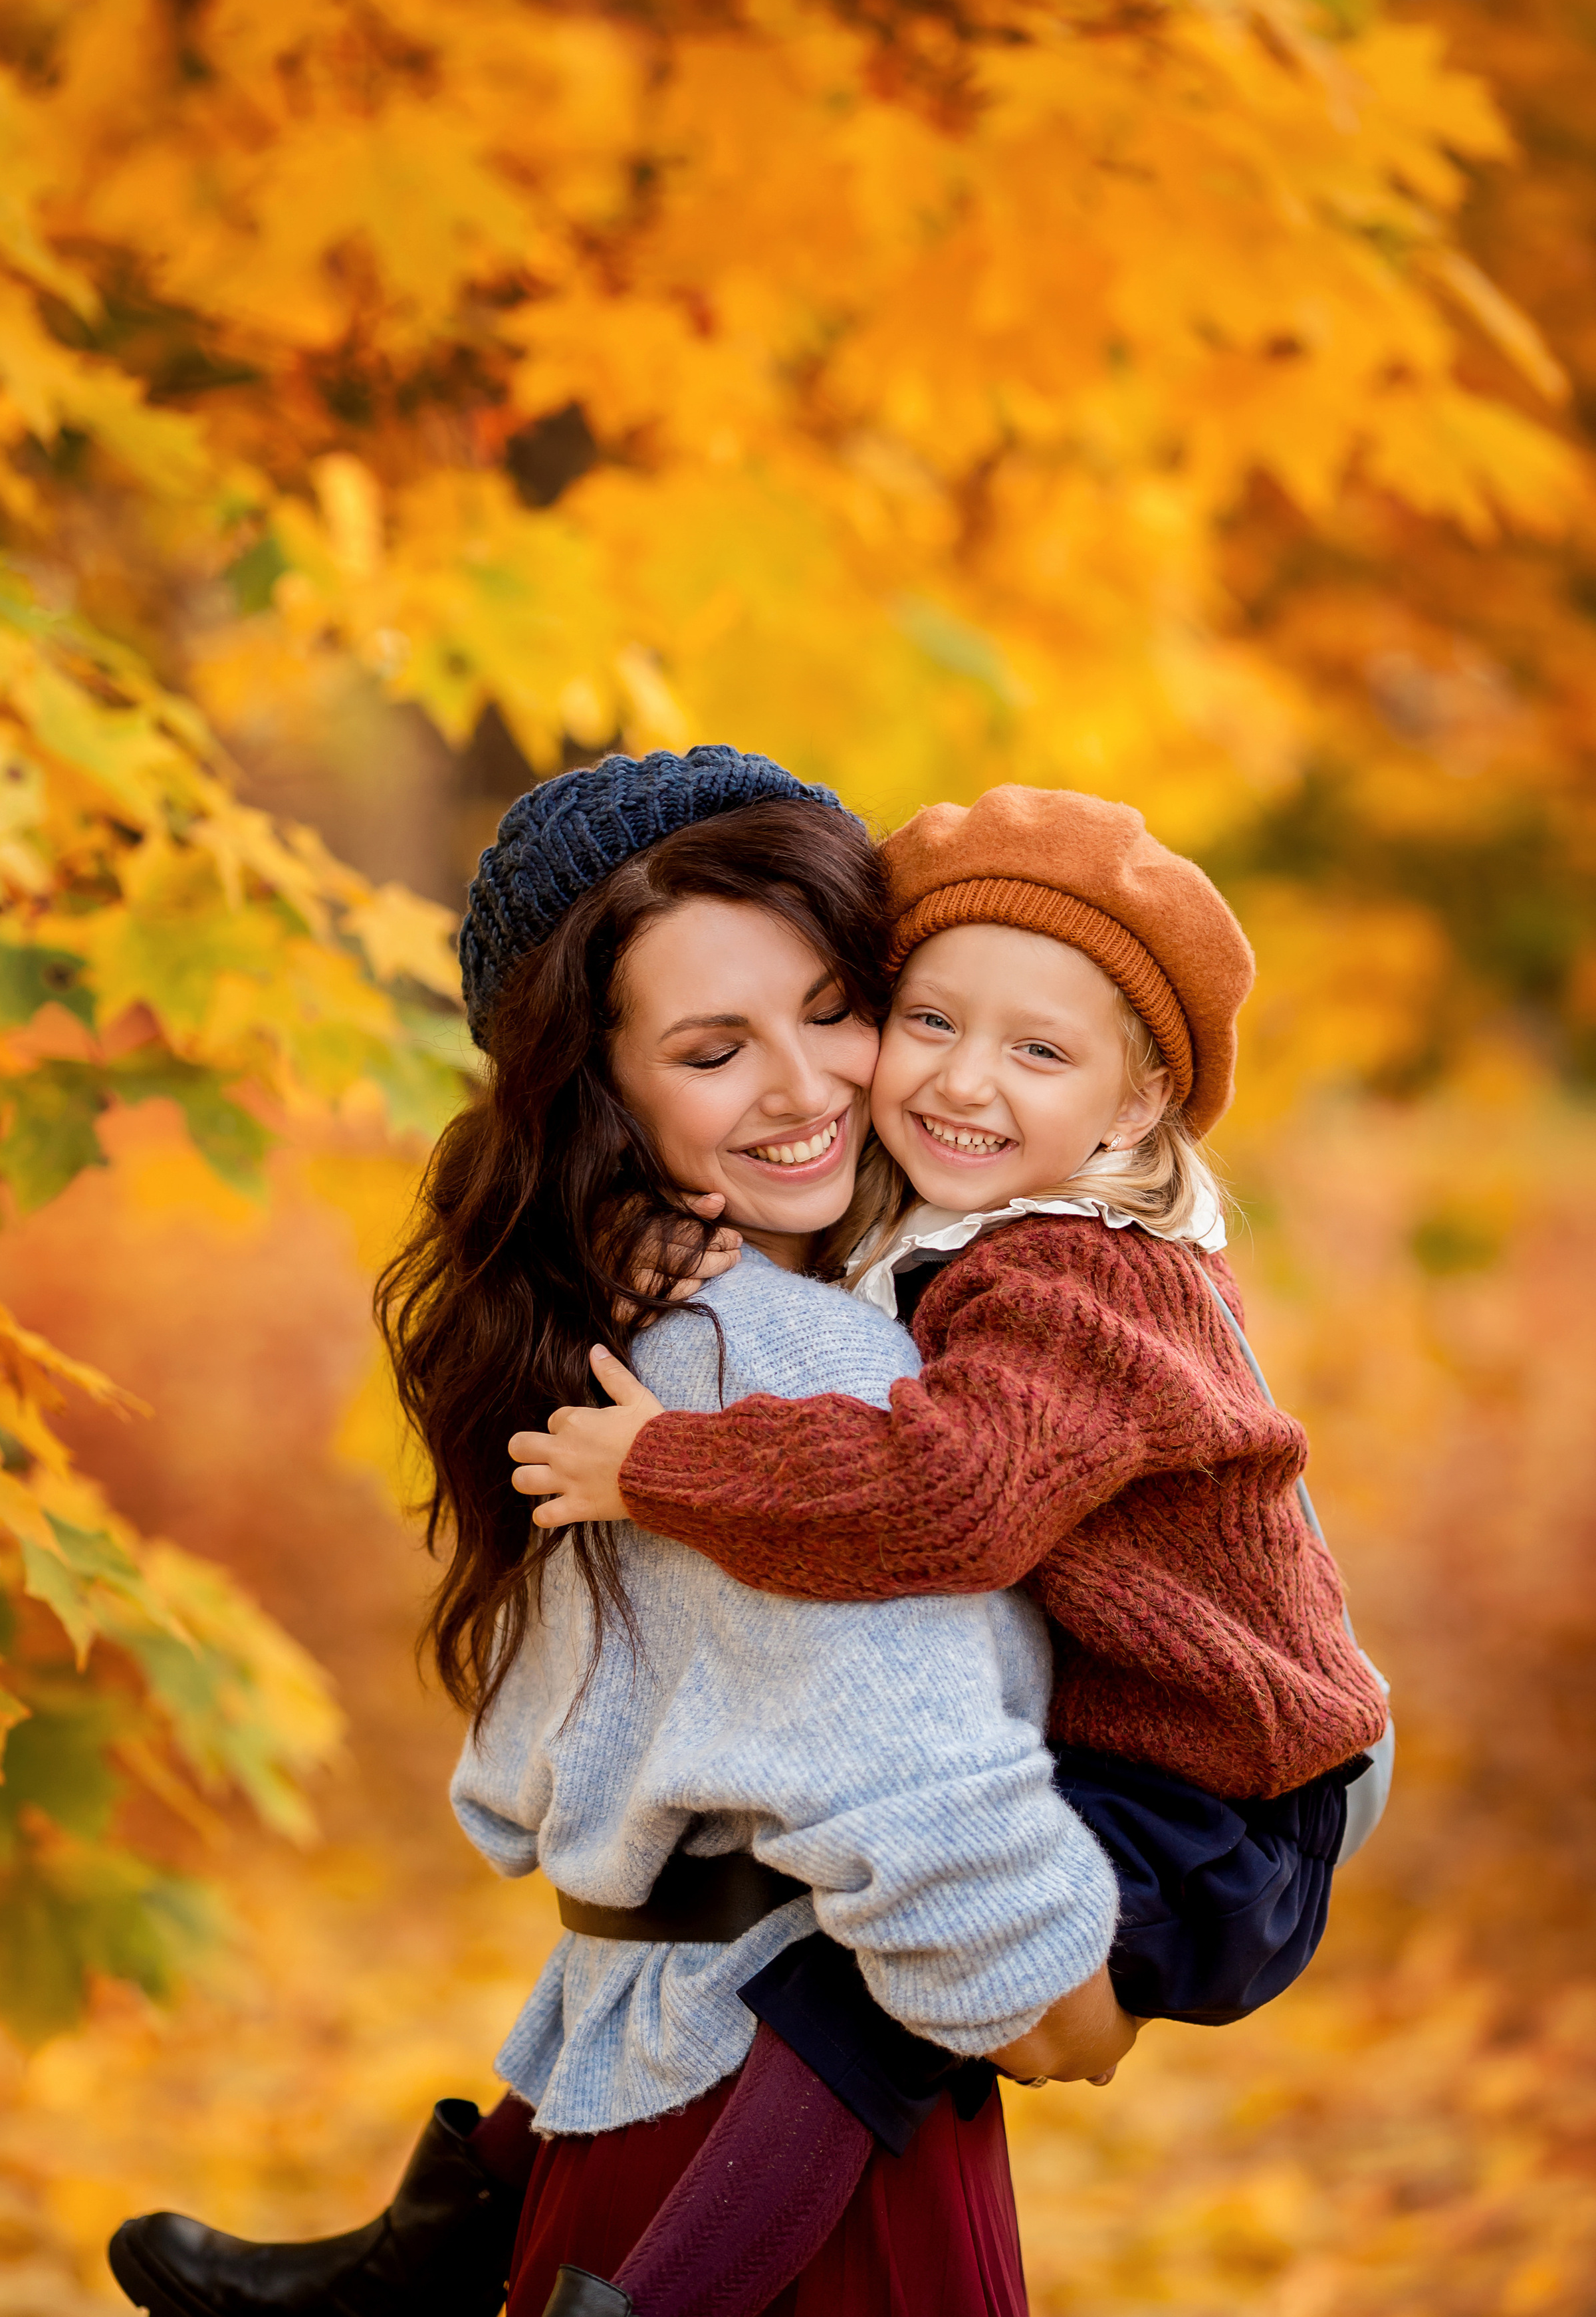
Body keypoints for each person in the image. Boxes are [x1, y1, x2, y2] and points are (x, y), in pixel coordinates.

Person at [109, 751, 1126, 2317]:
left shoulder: (634, 1320)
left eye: (836, 1006)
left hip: (642, 2082)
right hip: (806, 2150)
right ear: (602, 1088)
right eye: (716, 1049)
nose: (810, 1086)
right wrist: (1066, 1992)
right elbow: (919, 1789)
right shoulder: (786, 1367)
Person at [508, 785, 1395, 2304]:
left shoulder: (1066, 1277)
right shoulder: (936, 1250)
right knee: (823, 1989)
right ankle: (454, 2222)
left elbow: (944, 1497)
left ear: (1129, 1111)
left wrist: (661, 1463)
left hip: (1219, 1804)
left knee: (830, 2003)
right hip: (1154, 1774)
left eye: (1036, 1052)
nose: (958, 1082)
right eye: (926, 1021)